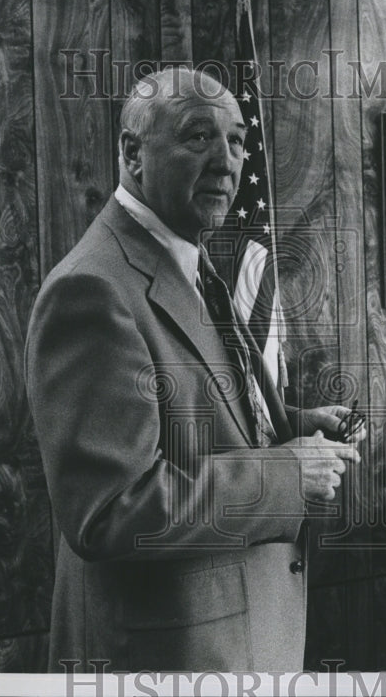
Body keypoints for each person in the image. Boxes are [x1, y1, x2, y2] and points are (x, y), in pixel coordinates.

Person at [25, 67, 362, 672]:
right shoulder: (92, 288)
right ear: (133, 152)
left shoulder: (189, 259)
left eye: (236, 140)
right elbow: (111, 508)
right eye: (197, 137)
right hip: (170, 654)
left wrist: (296, 426)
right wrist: (287, 474)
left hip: (242, 635)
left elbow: (196, 413)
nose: (228, 162)